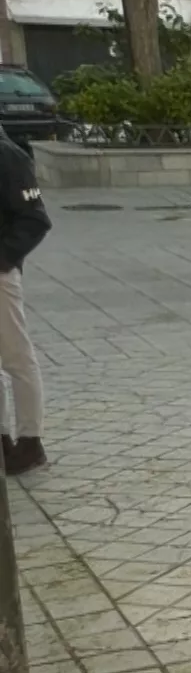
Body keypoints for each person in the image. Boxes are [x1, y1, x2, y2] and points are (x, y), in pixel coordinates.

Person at [0, 126, 49, 475]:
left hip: (0, 276)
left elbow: (35, 219)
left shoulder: (7, 155)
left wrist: (3, 259)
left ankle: (30, 441)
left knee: (17, 356)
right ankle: (3, 437)